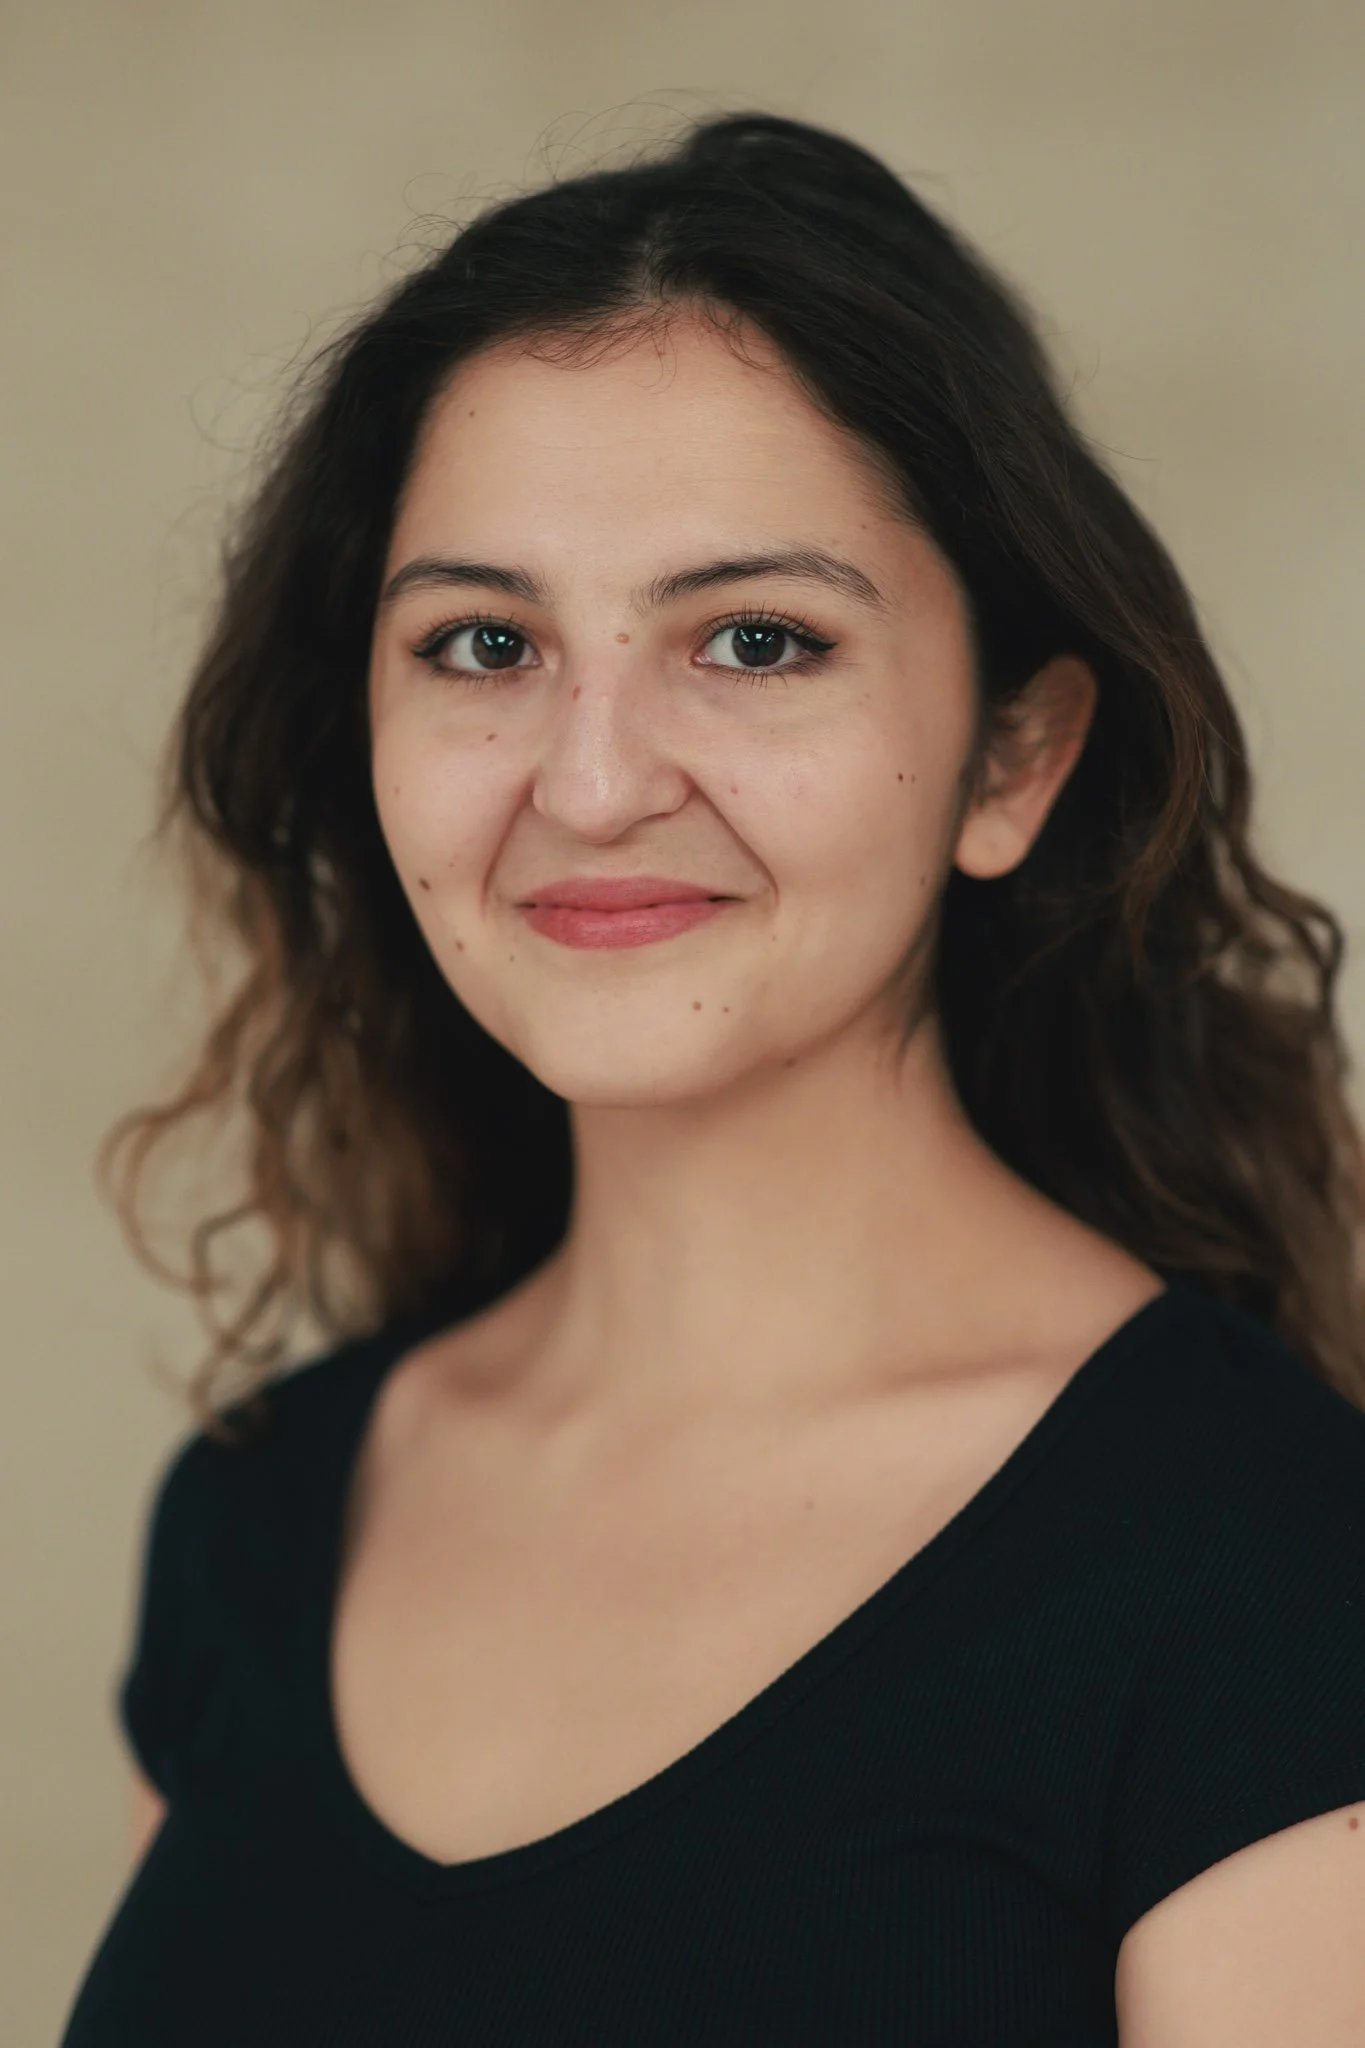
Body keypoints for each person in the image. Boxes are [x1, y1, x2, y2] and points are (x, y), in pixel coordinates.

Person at [62, 112, 1365, 2046]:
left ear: (1014, 758)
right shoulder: (256, 1522)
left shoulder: (1263, 1563)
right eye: (483, 643)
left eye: (755, 640)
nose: (592, 783)